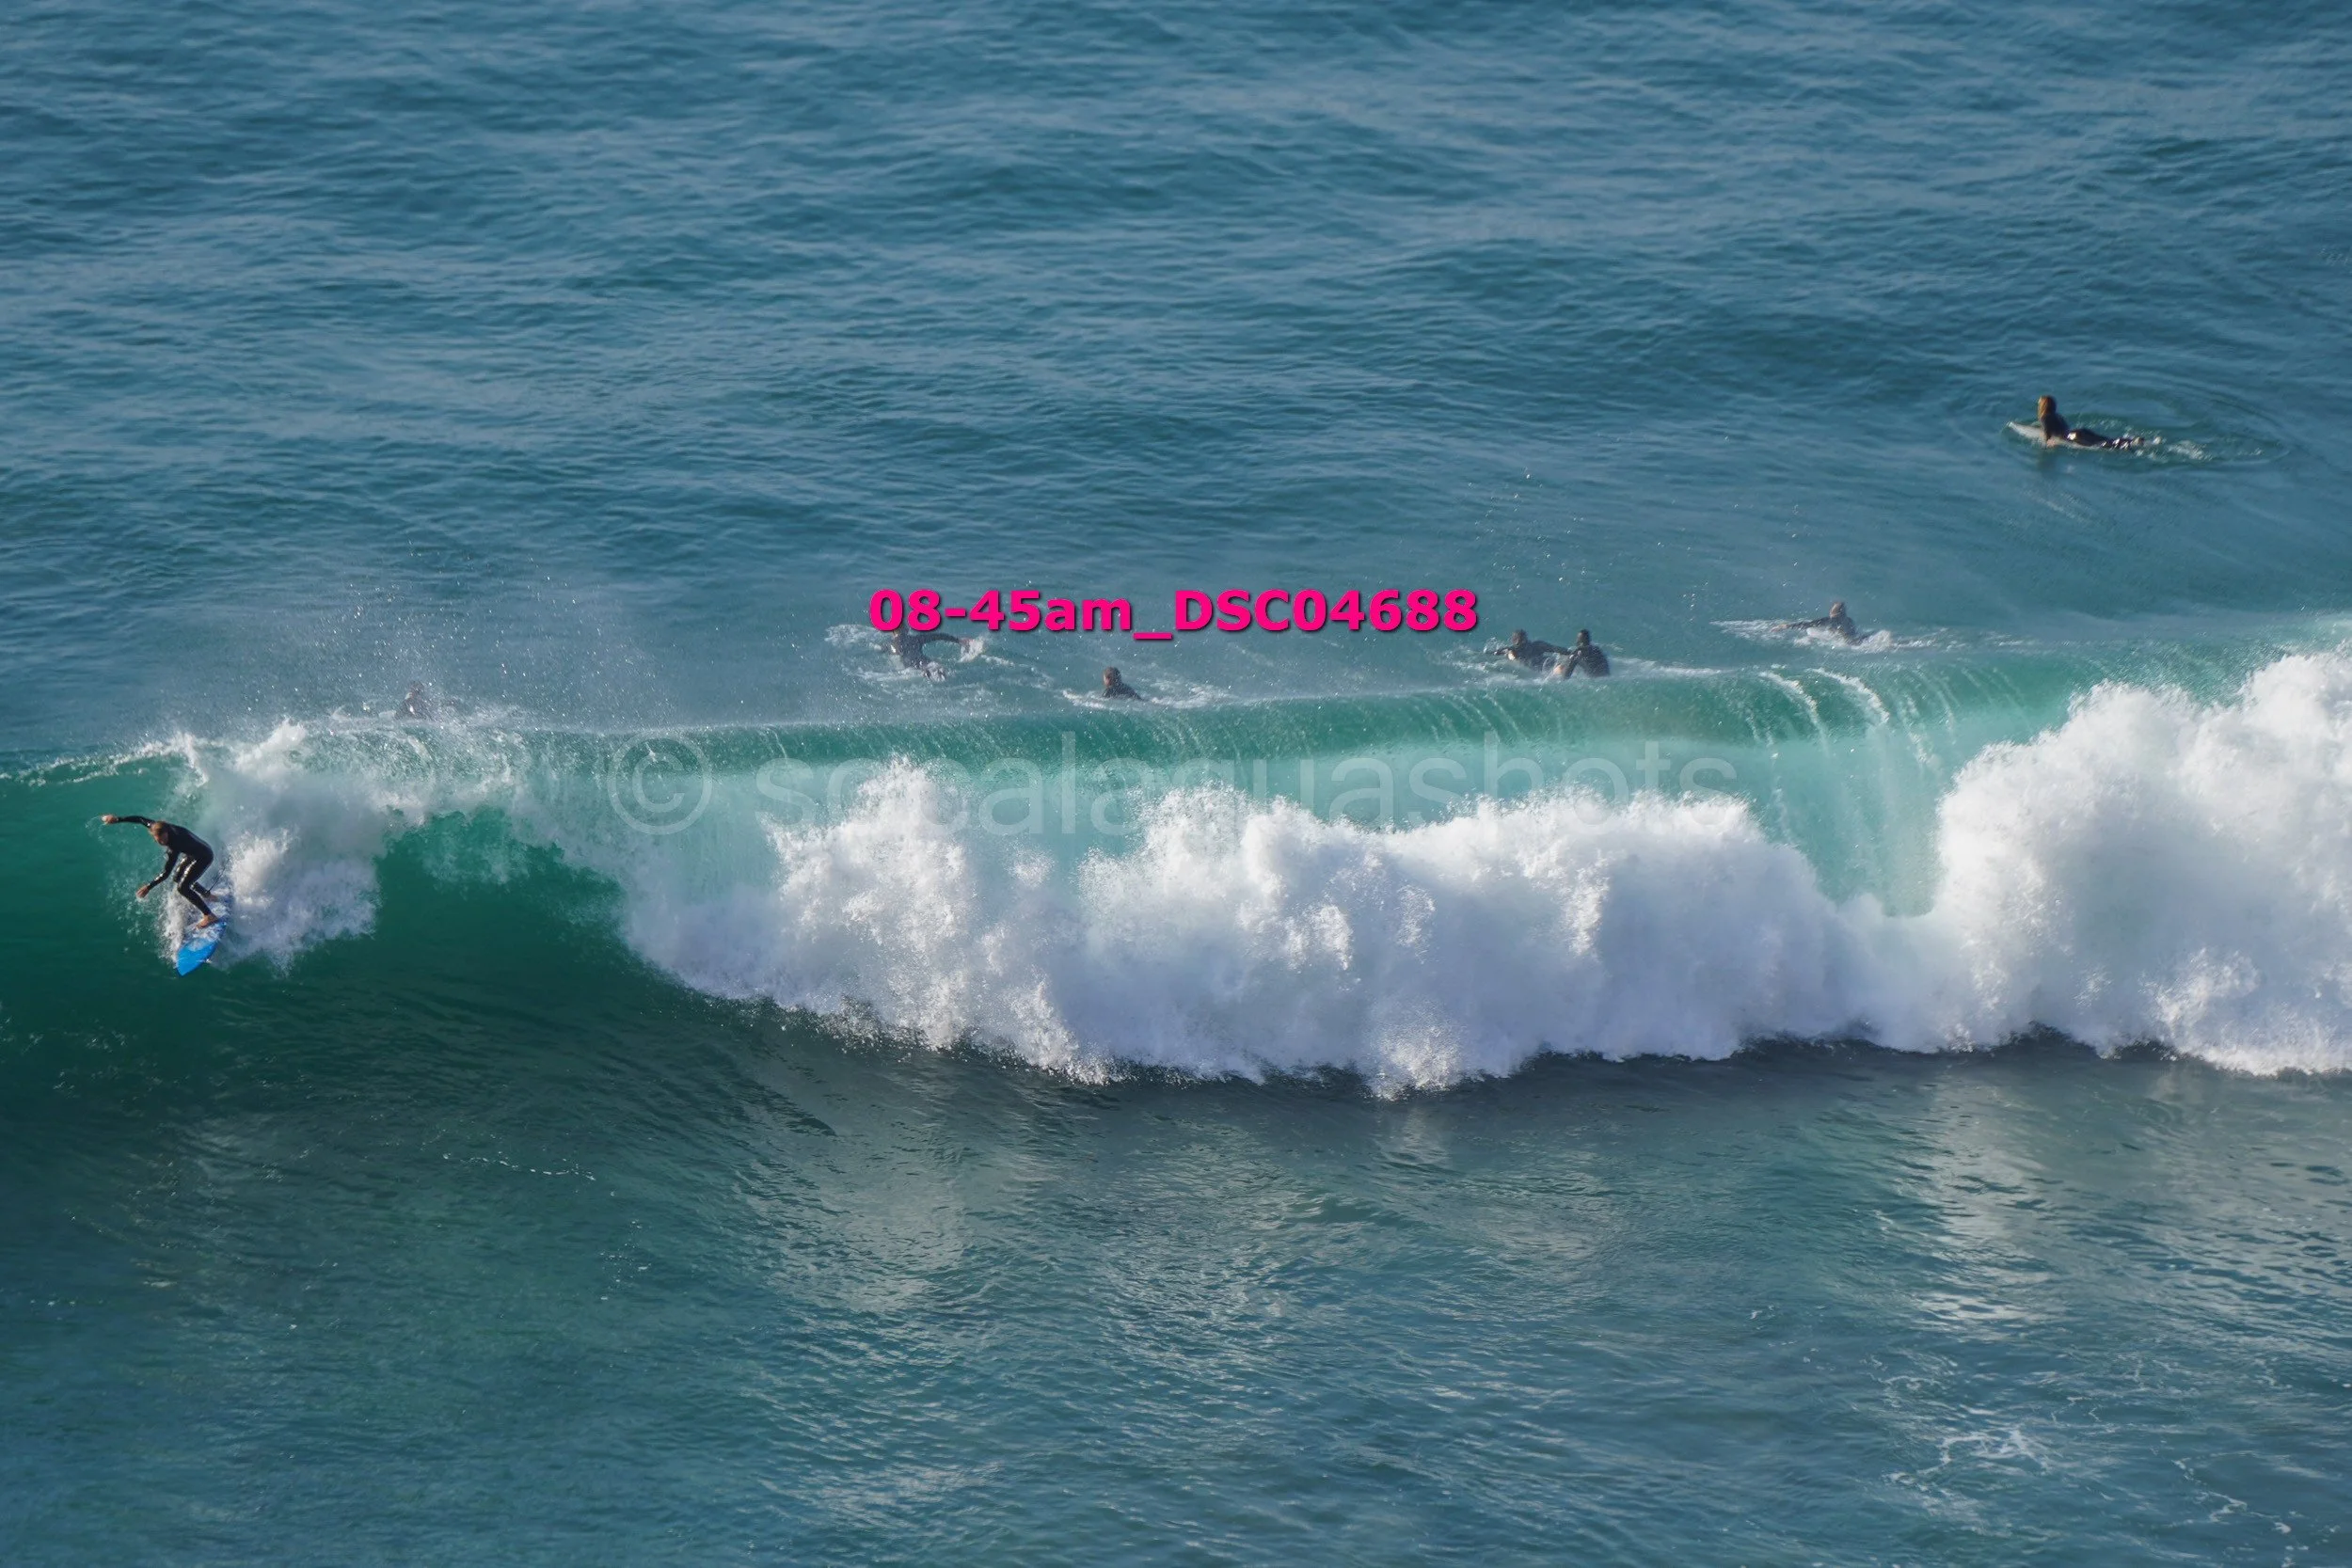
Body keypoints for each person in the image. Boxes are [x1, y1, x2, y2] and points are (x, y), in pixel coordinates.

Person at [102, 815, 222, 927]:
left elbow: (166, 873)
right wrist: (118, 819)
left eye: (164, 840)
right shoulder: (156, 826)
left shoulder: (175, 844)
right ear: (153, 834)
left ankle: (209, 915)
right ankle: (207, 895)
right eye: (159, 841)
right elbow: (139, 819)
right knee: (178, 878)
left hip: (204, 856)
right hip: (193, 853)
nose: (163, 843)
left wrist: (148, 887)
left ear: (167, 832)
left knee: (182, 888)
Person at [2033, 396, 2139, 451]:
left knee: (2100, 445)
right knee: (2105, 439)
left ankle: (2125, 445)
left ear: (2043, 406)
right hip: (2077, 431)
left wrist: (2047, 444)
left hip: (2072, 437)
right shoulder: (2058, 415)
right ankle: (2132, 440)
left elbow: (2047, 433)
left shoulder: (2044, 418)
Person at [889, 628, 969, 676]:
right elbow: (937, 636)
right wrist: (958, 640)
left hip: (909, 670)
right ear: (905, 629)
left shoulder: (890, 646)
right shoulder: (916, 639)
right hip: (926, 663)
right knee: (939, 670)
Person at [1782, 600, 1860, 642]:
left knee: (1810, 637)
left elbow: (1809, 624)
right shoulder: (1849, 620)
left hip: (1846, 644)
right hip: (1856, 641)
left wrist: (1786, 626)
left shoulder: (1832, 620)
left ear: (1832, 611)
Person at [1489, 629, 1569, 669]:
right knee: (1557, 664)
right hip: (1547, 662)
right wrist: (1569, 652)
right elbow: (1556, 649)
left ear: (1514, 640)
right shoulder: (1538, 645)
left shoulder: (1512, 650)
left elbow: (1493, 653)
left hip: (1537, 666)